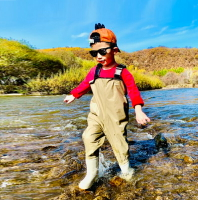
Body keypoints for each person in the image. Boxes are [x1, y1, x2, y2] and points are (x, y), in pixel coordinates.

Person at [64, 23, 150, 190]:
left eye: (103, 51)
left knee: (119, 143)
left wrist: (138, 111)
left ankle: (126, 170)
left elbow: (133, 92)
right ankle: (92, 173)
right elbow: (84, 85)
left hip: (116, 116)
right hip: (96, 113)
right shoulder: (94, 71)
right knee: (88, 137)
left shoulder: (122, 72)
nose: (99, 56)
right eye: (94, 53)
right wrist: (73, 94)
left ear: (115, 50)